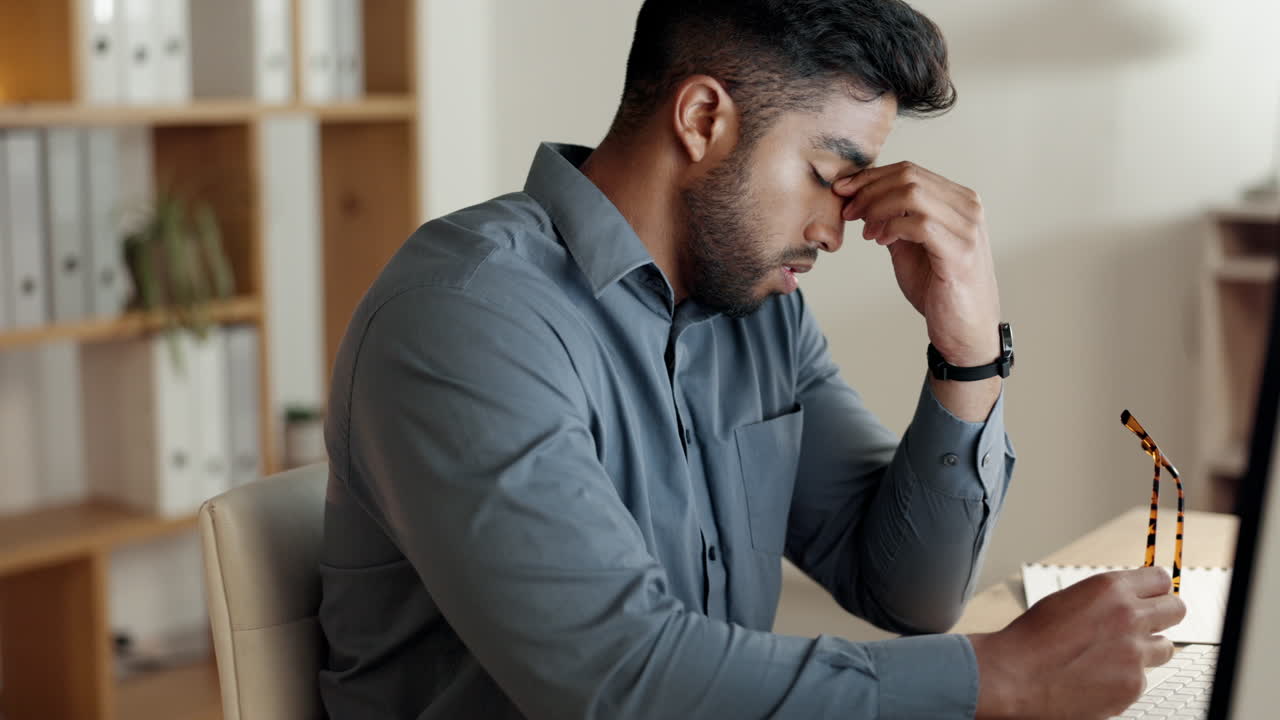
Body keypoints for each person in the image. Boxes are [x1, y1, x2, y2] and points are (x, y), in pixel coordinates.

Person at [317, 1, 1187, 717]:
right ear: (703, 120)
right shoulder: (467, 315)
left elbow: (909, 594)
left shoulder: (757, 314)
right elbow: (619, 677)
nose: (835, 230)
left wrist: (967, 354)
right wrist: (1003, 676)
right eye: (828, 175)